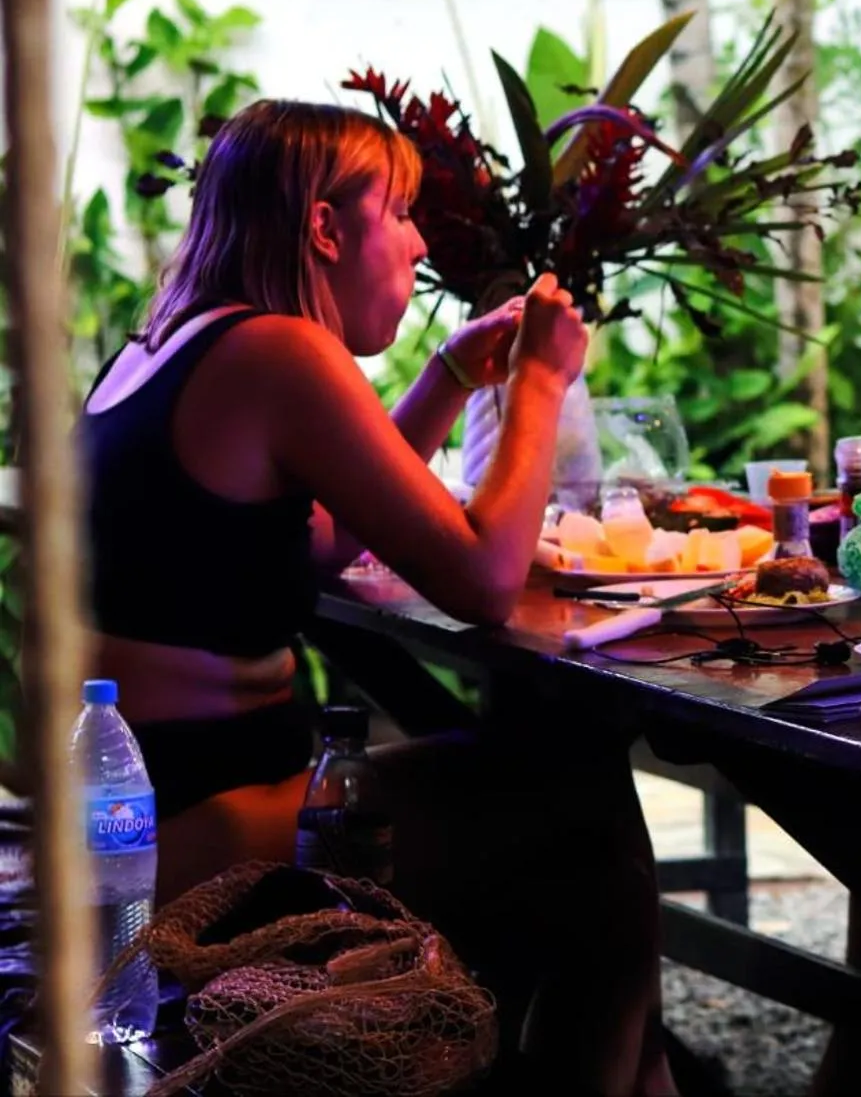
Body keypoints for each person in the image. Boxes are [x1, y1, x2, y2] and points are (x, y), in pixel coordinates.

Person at [79, 101, 679, 1094]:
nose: (415, 239)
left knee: (534, 790)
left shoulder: (165, 345)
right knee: (582, 812)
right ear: (324, 227)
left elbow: (319, 539)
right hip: (202, 843)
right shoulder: (281, 350)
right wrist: (535, 382)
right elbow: (486, 582)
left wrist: (446, 375)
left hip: (146, 815)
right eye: (398, 209)